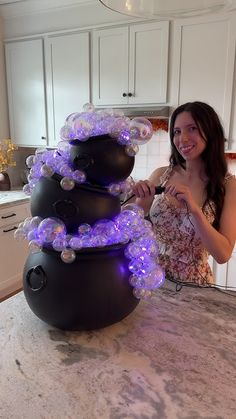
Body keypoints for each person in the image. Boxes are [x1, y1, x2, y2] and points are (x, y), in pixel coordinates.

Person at [132, 101, 236, 285]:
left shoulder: (228, 185)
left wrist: (195, 210)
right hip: (150, 277)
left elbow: (223, 254)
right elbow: (132, 231)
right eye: (177, 131)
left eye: (192, 128)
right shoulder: (161, 175)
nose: (183, 138)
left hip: (194, 285)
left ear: (210, 132)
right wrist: (142, 202)